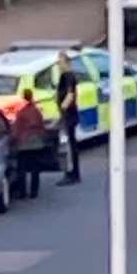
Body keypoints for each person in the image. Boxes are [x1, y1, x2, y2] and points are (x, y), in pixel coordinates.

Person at [10, 90, 48, 199]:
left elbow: (16, 130)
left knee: (21, 168)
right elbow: (42, 126)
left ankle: (22, 192)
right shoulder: (36, 111)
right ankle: (34, 192)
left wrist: (14, 140)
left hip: (24, 144)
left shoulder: (21, 112)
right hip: (36, 143)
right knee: (35, 168)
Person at [55, 53, 82, 186]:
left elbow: (70, 95)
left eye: (60, 62)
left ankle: (72, 174)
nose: (58, 64)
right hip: (70, 114)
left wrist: (62, 109)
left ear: (66, 62)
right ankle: (72, 173)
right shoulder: (68, 76)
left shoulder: (68, 76)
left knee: (70, 146)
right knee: (70, 144)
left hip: (69, 115)